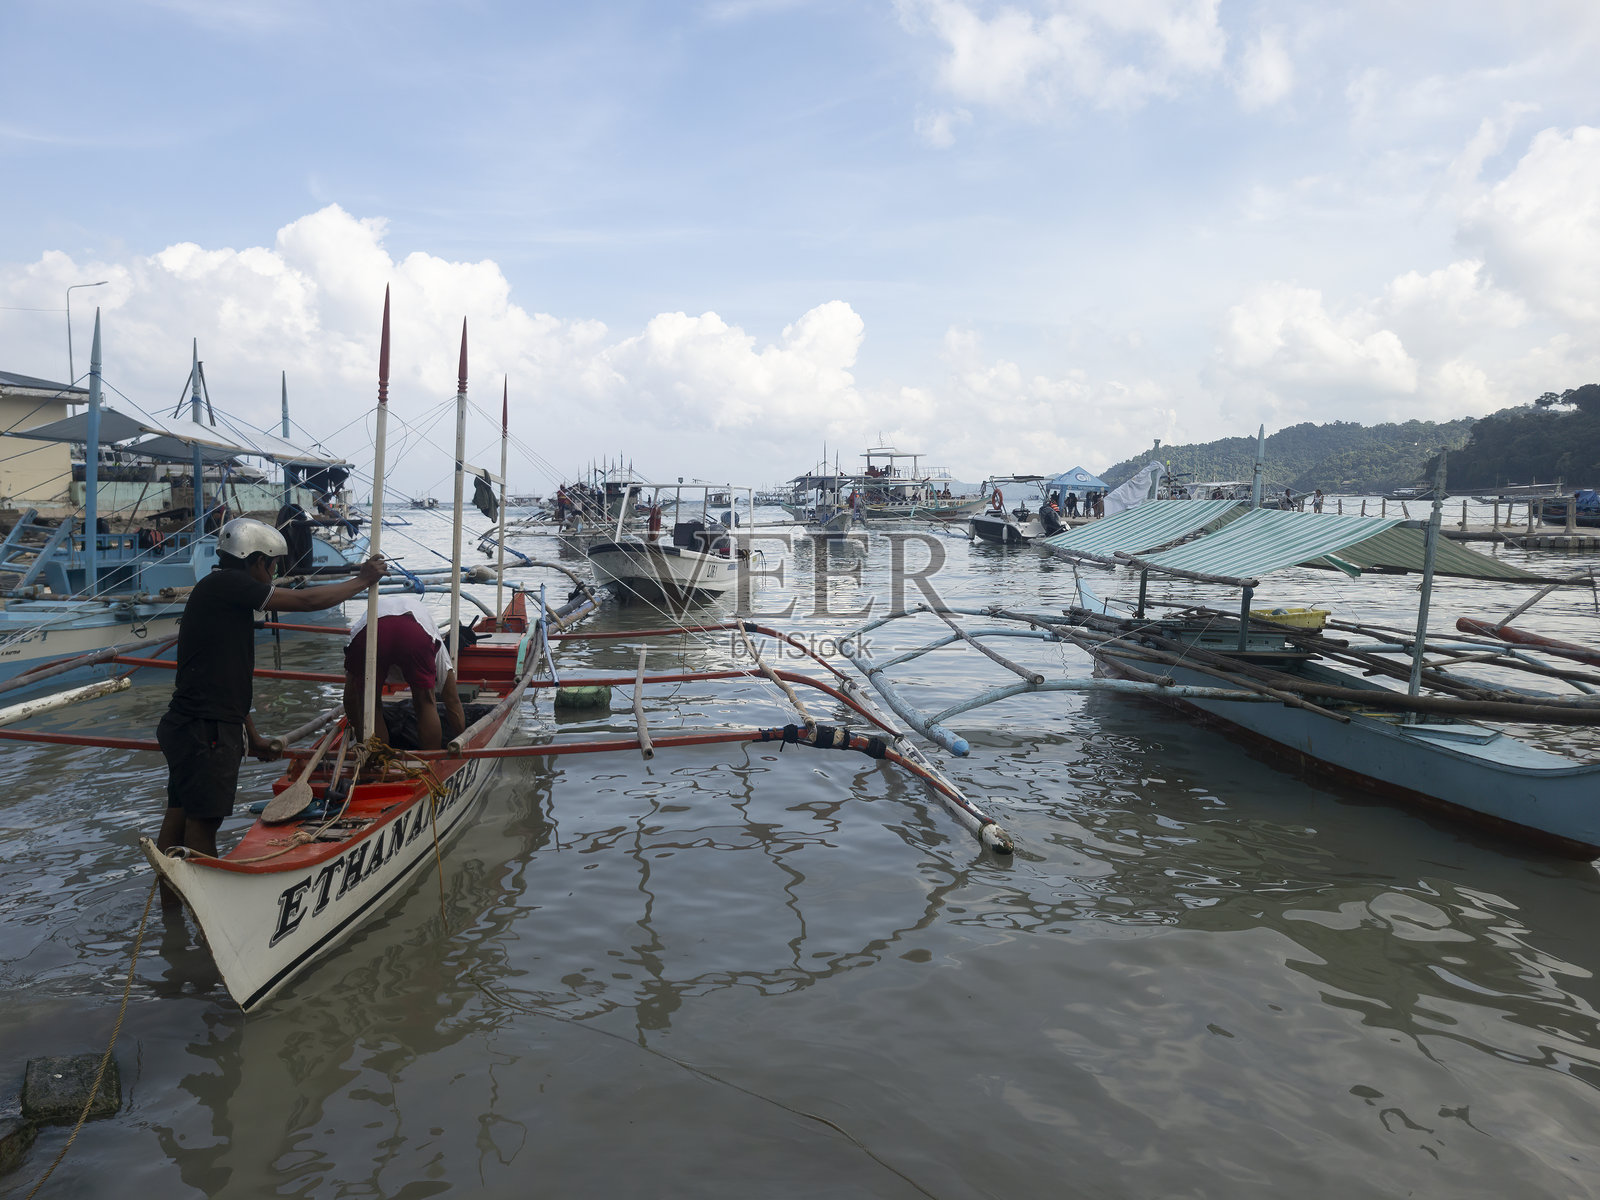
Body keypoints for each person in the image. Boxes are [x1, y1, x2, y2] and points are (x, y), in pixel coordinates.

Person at [155, 518, 386, 900]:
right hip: (206, 730)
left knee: (179, 814)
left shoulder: (219, 591)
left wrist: (253, 735)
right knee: (202, 823)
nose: (274, 574)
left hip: (192, 724)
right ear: (257, 561)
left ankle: (172, 914)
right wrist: (363, 580)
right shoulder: (230, 585)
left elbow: (225, 677)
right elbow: (307, 601)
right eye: (273, 566)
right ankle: (216, 911)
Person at [343, 594, 466, 752]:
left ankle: (375, 762)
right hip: (414, 631)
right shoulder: (434, 640)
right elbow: (452, 700)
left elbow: (350, 698)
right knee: (425, 702)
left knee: (369, 704)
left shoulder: (360, 629)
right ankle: (431, 761)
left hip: (371, 631)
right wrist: (463, 741)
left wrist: (358, 730)